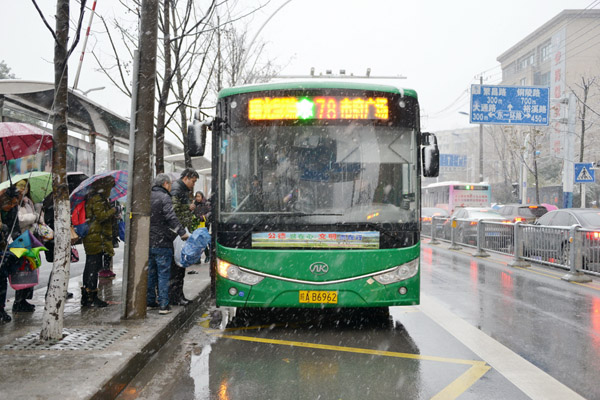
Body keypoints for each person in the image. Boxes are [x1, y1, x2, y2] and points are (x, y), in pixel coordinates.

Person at [148, 174, 189, 315]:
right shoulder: (165, 197)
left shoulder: (147, 196)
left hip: (148, 241)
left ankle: (150, 301)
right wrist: (182, 233)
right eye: (170, 184)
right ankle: (164, 305)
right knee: (164, 273)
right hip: (162, 241)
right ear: (165, 184)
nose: (171, 186)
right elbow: (171, 217)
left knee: (151, 273)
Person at [81, 176, 117, 308]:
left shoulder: (96, 198)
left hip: (95, 236)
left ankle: (88, 296)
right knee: (92, 267)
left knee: (92, 266)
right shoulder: (97, 199)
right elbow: (101, 216)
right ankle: (90, 296)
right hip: (95, 237)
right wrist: (113, 210)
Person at [169, 168, 201, 306]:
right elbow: (174, 209)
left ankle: (178, 295)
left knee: (180, 266)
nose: (193, 184)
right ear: (186, 178)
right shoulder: (177, 189)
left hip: (181, 230)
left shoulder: (181, 189)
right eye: (193, 181)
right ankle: (175, 297)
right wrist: (188, 207)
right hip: (177, 232)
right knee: (177, 266)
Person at [0, 186, 21, 322]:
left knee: (2, 278)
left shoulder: (12, 210)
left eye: (14, 204)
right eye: (10, 204)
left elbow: (15, 226)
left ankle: (1, 308)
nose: (12, 206)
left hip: (3, 246)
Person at [193, 191, 211, 263]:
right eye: (196, 196)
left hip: (204, 224)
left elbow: (210, 212)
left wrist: (204, 217)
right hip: (197, 224)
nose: (197, 198)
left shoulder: (206, 204)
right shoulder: (194, 204)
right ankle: (198, 258)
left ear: (202, 197)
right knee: (197, 240)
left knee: (203, 240)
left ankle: (207, 255)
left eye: (199, 196)